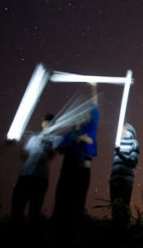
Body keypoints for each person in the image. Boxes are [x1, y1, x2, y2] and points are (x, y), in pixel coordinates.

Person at [53, 82, 99, 222]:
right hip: (68, 169)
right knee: (61, 201)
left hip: (83, 169)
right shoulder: (69, 135)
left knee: (78, 202)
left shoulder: (90, 127)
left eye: (82, 115)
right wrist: (78, 139)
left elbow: (95, 108)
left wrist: (93, 87)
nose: (80, 116)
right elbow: (60, 148)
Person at [11, 113, 62, 221]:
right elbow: (24, 156)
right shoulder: (33, 138)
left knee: (34, 211)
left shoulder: (56, 139)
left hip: (40, 177)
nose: (48, 124)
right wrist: (21, 145)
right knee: (17, 208)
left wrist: (47, 146)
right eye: (46, 122)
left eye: (51, 123)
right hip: (24, 175)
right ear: (42, 124)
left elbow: (52, 156)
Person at [109, 123, 140, 225]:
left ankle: (124, 231)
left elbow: (133, 161)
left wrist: (120, 154)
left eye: (123, 129)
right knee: (115, 207)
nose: (120, 130)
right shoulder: (118, 143)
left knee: (124, 207)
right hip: (114, 180)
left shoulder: (134, 143)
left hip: (126, 181)